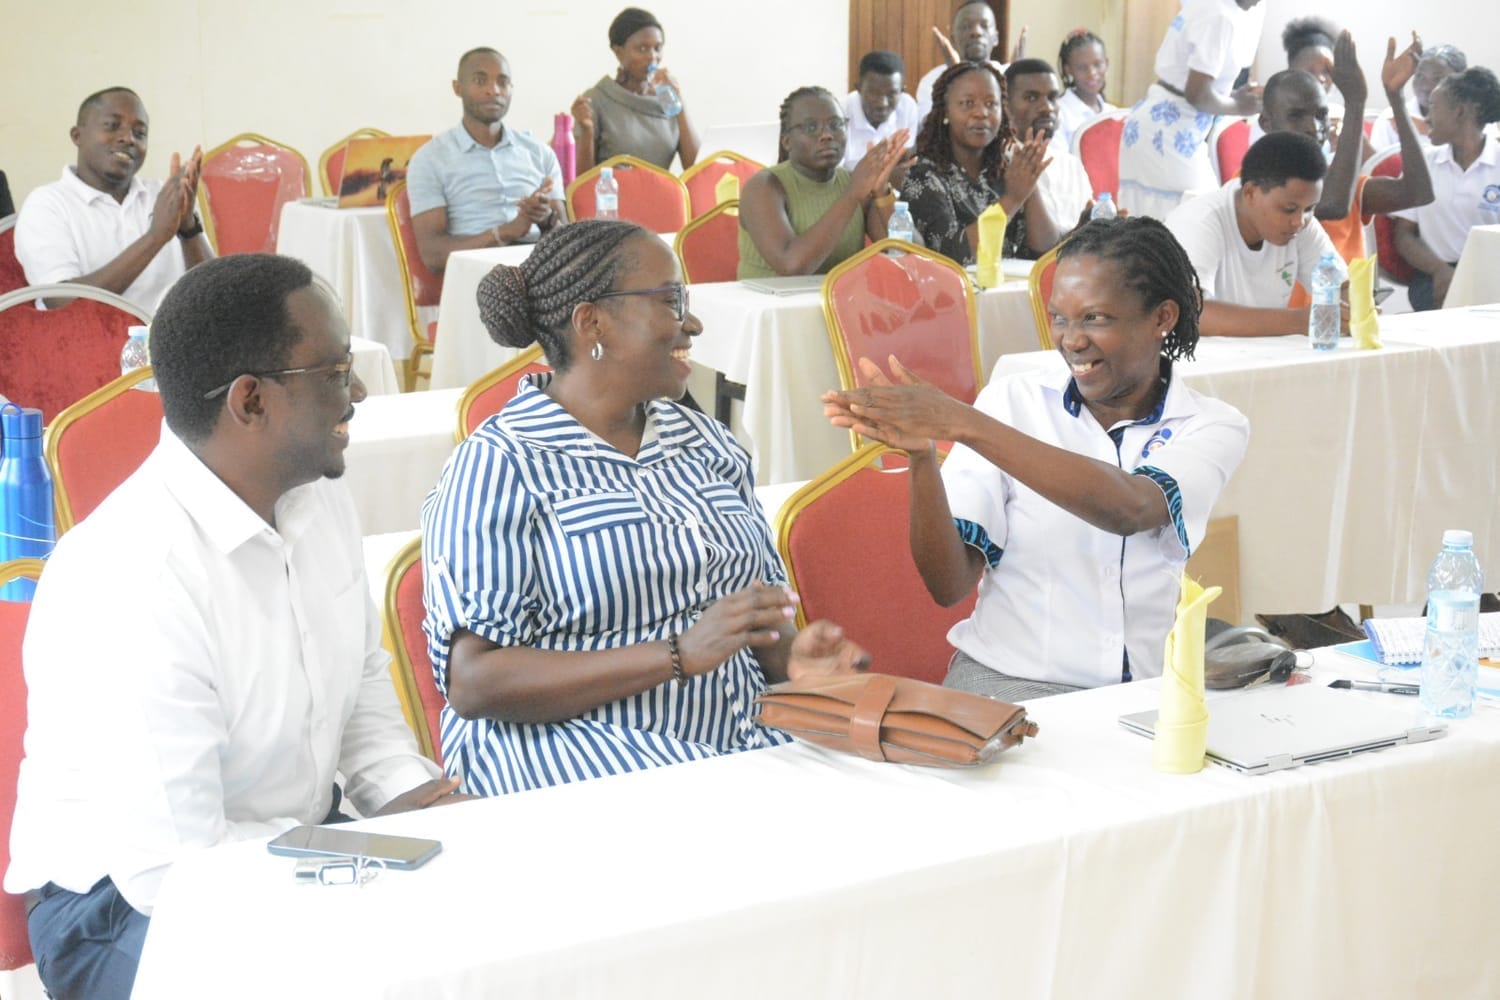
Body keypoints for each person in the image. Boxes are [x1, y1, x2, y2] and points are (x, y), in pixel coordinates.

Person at [5, 254, 459, 1000]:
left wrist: (422, 807)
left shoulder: (316, 499)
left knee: (482, 939)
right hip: (126, 907)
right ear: (251, 401)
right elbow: (176, 868)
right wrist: (366, 858)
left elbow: (363, 703)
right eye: (336, 371)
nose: (358, 392)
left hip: (294, 845)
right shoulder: (134, 574)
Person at [421, 220, 869, 795]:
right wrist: (676, 654)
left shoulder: (707, 442)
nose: (693, 323)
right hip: (573, 750)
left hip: (738, 736)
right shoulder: (500, 464)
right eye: (670, 301)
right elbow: (474, 682)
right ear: (593, 322)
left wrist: (796, 660)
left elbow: (755, 621)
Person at [821, 217, 1248, 699]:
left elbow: (1129, 508)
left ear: (1162, 318)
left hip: (1142, 692)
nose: (1071, 340)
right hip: (1006, 681)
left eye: (1095, 318)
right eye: (1059, 318)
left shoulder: (1211, 425)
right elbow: (948, 585)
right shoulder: (1010, 402)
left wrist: (966, 424)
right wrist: (922, 460)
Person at [14, 87, 212, 312]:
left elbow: (215, 295)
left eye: (140, 133)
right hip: (89, 335)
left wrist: (188, 229)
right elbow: (62, 302)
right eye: (112, 125)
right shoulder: (46, 204)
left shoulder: (163, 195)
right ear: (77, 136)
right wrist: (155, 237)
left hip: (173, 333)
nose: (128, 138)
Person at [1258, 37, 1432, 267]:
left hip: (1349, 292)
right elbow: (1333, 205)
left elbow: (1418, 192)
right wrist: (1355, 103)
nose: (1313, 127)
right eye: (1296, 116)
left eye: (1321, 116)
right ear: (1266, 123)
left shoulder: (1339, 179)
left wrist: (1396, 97)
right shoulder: (1254, 183)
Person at [1165, 131, 1345, 336]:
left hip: (1265, 354)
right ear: (1250, 193)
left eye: (1310, 208)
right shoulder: (1199, 221)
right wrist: (1298, 321)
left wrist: (1350, 309)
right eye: (1289, 209)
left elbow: (1341, 288)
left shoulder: (1300, 224)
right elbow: (1187, 313)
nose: (1299, 221)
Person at [405, 47, 565, 272]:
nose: (493, 90)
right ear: (457, 88)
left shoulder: (539, 153)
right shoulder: (430, 159)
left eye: (503, 82)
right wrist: (504, 232)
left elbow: (566, 238)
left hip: (540, 267)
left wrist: (545, 218)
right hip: (476, 271)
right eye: (480, 81)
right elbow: (433, 255)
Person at [1117, 0, 1266, 220]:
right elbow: (1197, 94)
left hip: (1161, 122)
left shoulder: (1212, 6)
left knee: (1173, 221)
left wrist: (1233, 97)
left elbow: (1192, 82)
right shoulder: (1220, 16)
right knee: (1203, 216)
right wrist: (1239, 107)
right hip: (1168, 132)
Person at [736, 86, 906, 279]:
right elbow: (791, 266)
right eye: (811, 127)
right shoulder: (763, 187)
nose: (827, 135)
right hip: (767, 297)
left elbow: (908, 256)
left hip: (835, 298)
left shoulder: (854, 183)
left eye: (836, 125)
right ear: (787, 141)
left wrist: (882, 192)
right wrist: (852, 195)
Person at [901, 62, 1055, 266]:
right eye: (967, 103)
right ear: (945, 112)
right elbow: (952, 256)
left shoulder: (1003, 169)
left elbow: (1045, 252)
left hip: (1009, 284)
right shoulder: (924, 176)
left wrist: (1029, 184)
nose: (981, 113)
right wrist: (1012, 200)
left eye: (991, 104)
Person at [1392, 67, 1500, 310]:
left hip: (1493, 274)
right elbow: (1403, 236)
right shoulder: (1424, 163)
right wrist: (1439, 270)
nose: (1426, 118)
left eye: (1433, 107)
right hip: (1433, 274)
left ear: (1459, 112)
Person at [570, 7, 701, 174]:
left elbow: (697, 168)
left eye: (657, 48)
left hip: (663, 190)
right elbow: (582, 179)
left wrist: (679, 103)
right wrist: (586, 131)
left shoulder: (667, 100)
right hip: (613, 190)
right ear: (618, 52)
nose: (652, 57)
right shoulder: (597, 99)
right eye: (642, 49)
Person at [1004, 58, 1094, 237]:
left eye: (1053, 98)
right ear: (1006, 107)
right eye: (1031, 98)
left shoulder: (1070, 164)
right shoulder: (999, 162)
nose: (1047, 108)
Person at [916, 1, 1019, 125]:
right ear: (953, 39)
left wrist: (1016, 81)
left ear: (996, 38)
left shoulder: (1008, 75)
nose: (976, 32)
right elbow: (928, 127)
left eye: (984, 26)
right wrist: (954, 76)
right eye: (966, 26)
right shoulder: (933, 80)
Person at [1370, 44, 1467, 151]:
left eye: (1438, 79)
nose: (1426, 87)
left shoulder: (1472, 120)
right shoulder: (1391, 118)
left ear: (1460, 82)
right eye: (1420, 76)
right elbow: (1378, 160)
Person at [843, 50, 920, 173]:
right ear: (858, 88)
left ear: (902, 91)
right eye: (873, 93)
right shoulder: (840, 114)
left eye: (891, 94)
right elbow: (835, 177)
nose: (882, 104)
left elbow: (905, 161)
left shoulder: (908, 107)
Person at [1054, 29, 1119, 155]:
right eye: (1082, 68)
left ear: (1106, 63)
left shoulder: (1115, 114)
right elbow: (1060, 161)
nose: (1092, 73)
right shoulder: (1059, 113)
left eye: (1097, 64)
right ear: (1068, 70)